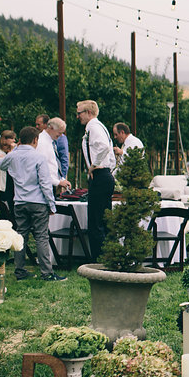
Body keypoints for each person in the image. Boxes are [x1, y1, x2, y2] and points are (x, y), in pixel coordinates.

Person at [0, 126, 64, 281]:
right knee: (41, 236)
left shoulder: (13, 155)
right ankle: (46, 272)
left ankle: (20, 271)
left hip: (20, 201)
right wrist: (51, 204)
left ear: (20, 140)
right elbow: (45, 182)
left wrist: (15, 150)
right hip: (37, 201)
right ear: (35, 140)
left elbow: (2, 165)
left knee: (21, 235)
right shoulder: (39, 157)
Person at [76, 100, 116, 262]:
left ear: (89, 113)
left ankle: (98, 259)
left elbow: (104, 147)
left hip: (100, 176)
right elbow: (110, 153)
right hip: (104, 175)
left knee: (96, 220)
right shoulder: (98, 127)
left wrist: (93, 166)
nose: (77, 116)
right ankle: (106, 256)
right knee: (103, 219)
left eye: (80, 113)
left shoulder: (94, 127)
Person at [36, 118, 71, 190]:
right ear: (51, 128)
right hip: (45, 185)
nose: (61, 136)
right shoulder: (42, 142)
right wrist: (57, 182)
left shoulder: (50, 141)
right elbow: (43, 167)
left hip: (51, 183)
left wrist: (60, 179)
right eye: (60, 132)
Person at [0, 130, 17, 222]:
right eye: (12, 139)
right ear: (4, 139)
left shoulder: (14, 150)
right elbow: (3, 162)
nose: (13, 141)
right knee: (5, 208)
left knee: (13, 206)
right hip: (2, 183)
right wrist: (11, 151)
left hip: (13, 182)